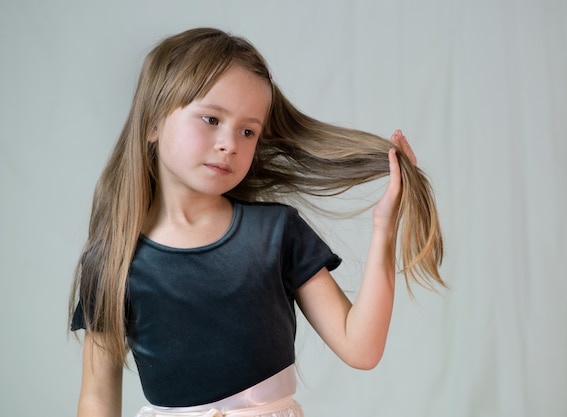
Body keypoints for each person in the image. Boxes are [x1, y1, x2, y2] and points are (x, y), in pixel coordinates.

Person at [69, 27, 444, 417]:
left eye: (248, 131)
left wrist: (384, 228)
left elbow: (361, 348)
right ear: (152, 124)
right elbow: (97, 398)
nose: (230, 143)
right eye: (211, 119)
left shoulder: (277, 234)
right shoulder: (112, 262)